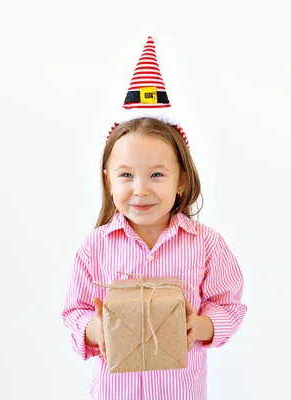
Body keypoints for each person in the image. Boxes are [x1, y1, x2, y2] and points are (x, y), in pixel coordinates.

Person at [61, 36, 247, 400]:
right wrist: (95, 330)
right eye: (126, 175)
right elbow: (74, 310)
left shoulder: (206, 244)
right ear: (108, 181)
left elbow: (230, 304)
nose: (141, 189)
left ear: (181, 181)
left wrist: (202, 325)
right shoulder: (95, 247)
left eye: (157, 175)